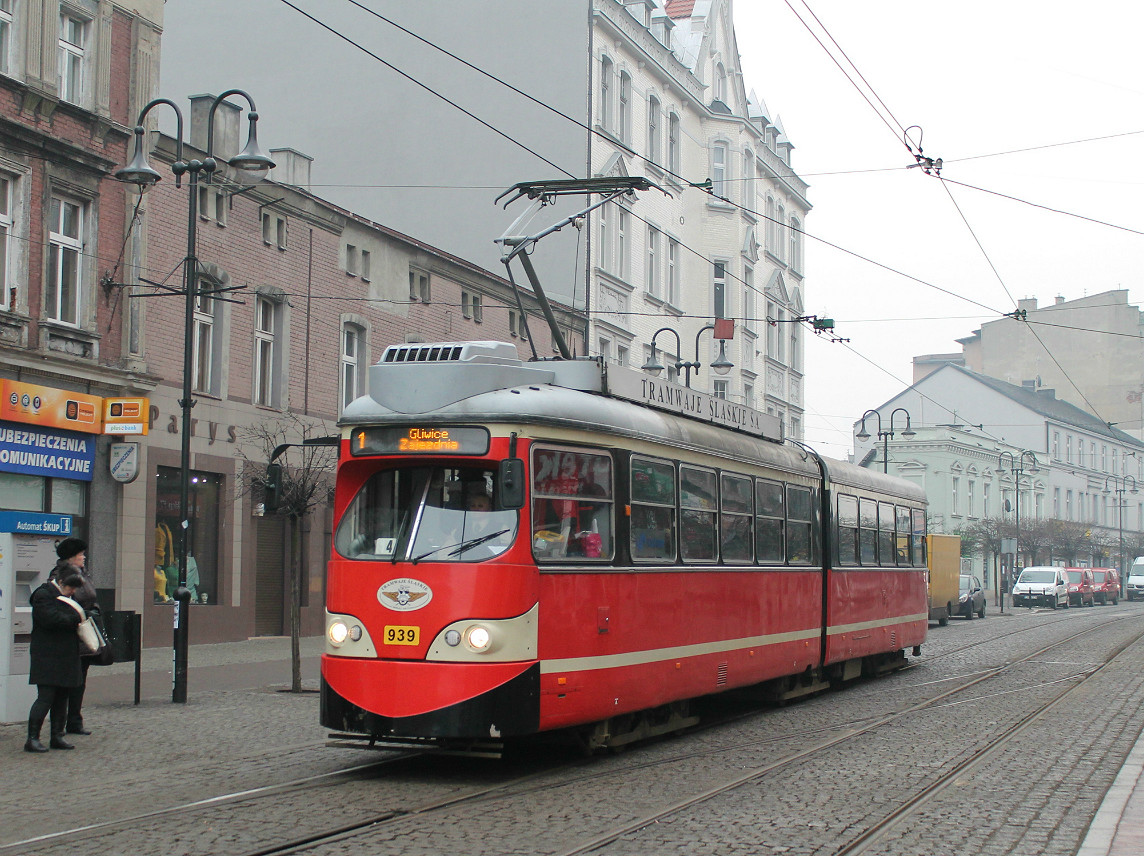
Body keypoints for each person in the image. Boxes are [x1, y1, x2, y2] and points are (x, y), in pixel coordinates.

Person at [25, 572, 85, 752]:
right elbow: (51, 619)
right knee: (46, 697)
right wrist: (76, 619)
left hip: (66, 654)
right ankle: (32, 738)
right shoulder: (43, 595)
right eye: (70, 588)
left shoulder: (66, 596)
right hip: (47, 655)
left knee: (62, 697)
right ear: (60, 582)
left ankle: (57, 736)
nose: (72, 592)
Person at [48, 537, 97, 736]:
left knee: (80, 679)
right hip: (70, 631)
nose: (84, 557)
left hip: (84, 629)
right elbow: (61, 602)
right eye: (80, 554)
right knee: (67, 680)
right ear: (71, 557)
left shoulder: (83, 574)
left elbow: (92, 596)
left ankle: (75, 720)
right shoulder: (59, 574)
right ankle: (60, 724)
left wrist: (94, 610)